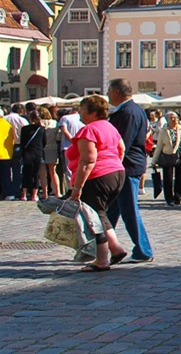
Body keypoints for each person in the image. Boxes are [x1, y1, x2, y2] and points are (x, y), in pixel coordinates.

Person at [66, 95, 129, 271]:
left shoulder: (89, 130)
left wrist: (77, 188)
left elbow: (88, 160)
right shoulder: (110, 127)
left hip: (97, 177)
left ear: (92, 112)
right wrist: (113, 164)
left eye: (82, 109)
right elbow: (121, 148)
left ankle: (102, 260)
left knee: (93, 218)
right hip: (116, 173)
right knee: (100, 214)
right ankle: (116, 249)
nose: (79, 112)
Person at [105, 79, 153, 263]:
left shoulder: (127, 113)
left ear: (117, 91)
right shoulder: (132, 110)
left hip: (126, 166)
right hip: (127, 165)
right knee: (111, 210)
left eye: (109, 90)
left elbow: (121, 142)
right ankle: (99, 246)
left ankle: (143, 250)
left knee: (129, 209)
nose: (108, 94)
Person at [2, 103, 28, 200]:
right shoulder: (22, 120)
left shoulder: (4, 119)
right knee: (17, 170)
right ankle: (16, 190)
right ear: (21, 111)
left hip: (6, 146)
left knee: (6, 170)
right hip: (18, 145)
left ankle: (7, 190)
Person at [19, 110, 44, 201]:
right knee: (36, 175)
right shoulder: (41, 129)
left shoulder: (24, 129)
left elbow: (22, 142)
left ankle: (24, 195)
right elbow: (43, 142)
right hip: (37, 153)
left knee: (26, 174)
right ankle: (34, 195)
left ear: (29, 118)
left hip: (27, 153)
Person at [39, 107, 61, 198]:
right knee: (53, 172)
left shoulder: (39, 124)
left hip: (41, 149)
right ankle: (57, 192)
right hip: (52, 148)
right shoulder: (55, 123)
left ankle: (45, 193)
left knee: (43, 173)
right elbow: (58, 137)